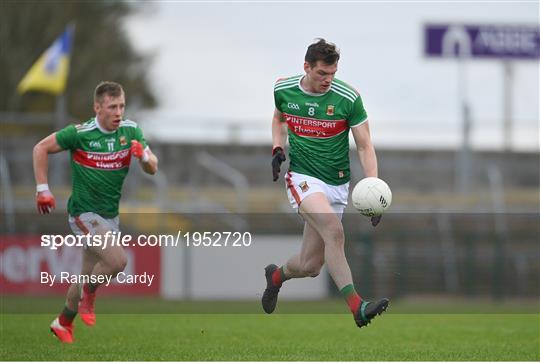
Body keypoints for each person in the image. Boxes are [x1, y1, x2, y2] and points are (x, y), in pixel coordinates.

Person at [263, 39, 389, 328]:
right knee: (335, 232)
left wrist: (373, 186)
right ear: (306, 67)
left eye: (332, 73)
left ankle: (276, 276)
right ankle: (358, 307)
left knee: (310, 266)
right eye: (322, 73)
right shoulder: (283, 89)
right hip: (303, 178)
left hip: (338, 185)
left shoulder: (348, 98)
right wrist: (277, 148)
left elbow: (365, 145)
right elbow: (279, 118)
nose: (327, 80)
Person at [33, 81, 158, 343]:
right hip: (83, 214)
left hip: (109, 217)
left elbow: (153, 167)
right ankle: (90, 294)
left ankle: (63, 322)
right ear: (97, 107)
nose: (118, 112)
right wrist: (43, 189)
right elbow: (40, 148)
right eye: (112, 106)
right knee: (118, 261)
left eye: (121, 106)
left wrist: (144, 158)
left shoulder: (130, 130)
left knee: (87, 273)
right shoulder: (80, 134)